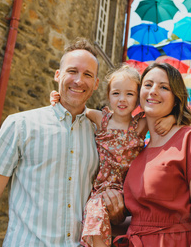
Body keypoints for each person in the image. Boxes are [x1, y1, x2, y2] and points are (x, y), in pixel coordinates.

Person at [0, 38, 124, 246]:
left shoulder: (101, 136)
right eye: (72, 71)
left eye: (87, 74)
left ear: (96, 83)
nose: (79, 80)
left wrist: (116, 211)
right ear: (58, 75)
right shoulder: (20, 125)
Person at [50, 65, 175, 246]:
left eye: (130, 94)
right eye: (116, 93)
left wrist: (170, 119)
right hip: (103, 188)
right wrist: (58, 99)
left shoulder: (140, 125)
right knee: (94, 213)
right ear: (108, 96)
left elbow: (167, 112)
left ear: (138, 98)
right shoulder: (101, 118)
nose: (122, 100)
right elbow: (74, 108)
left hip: (130, 189)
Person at [115, 62, 191, 246]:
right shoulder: (138, 149)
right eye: (148, 85)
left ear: (176, 98)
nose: (153, 91)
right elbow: (143, 221)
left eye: (164, 87)